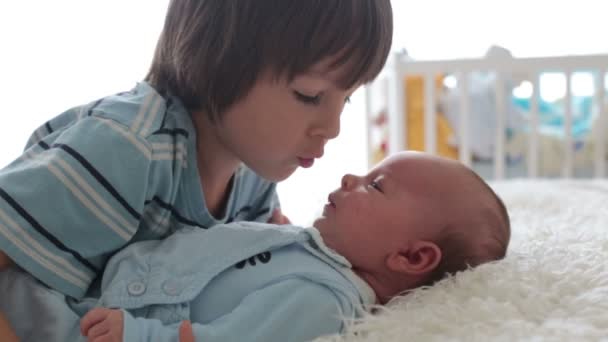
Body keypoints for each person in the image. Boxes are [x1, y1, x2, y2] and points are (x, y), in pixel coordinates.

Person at [0, 0, 393, 302]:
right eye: (309, 95)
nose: (333, 128)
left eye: (347, 101)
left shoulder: (253, 177)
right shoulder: (127, 150)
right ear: (220, 57)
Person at [0, 152, 511, 341]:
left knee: (20, 298)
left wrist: (137, 334)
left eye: (376, 186)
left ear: (411, 258)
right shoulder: (316, 254)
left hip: (104, 319)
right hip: (105, 281)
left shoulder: (323, 298)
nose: (354, 175)